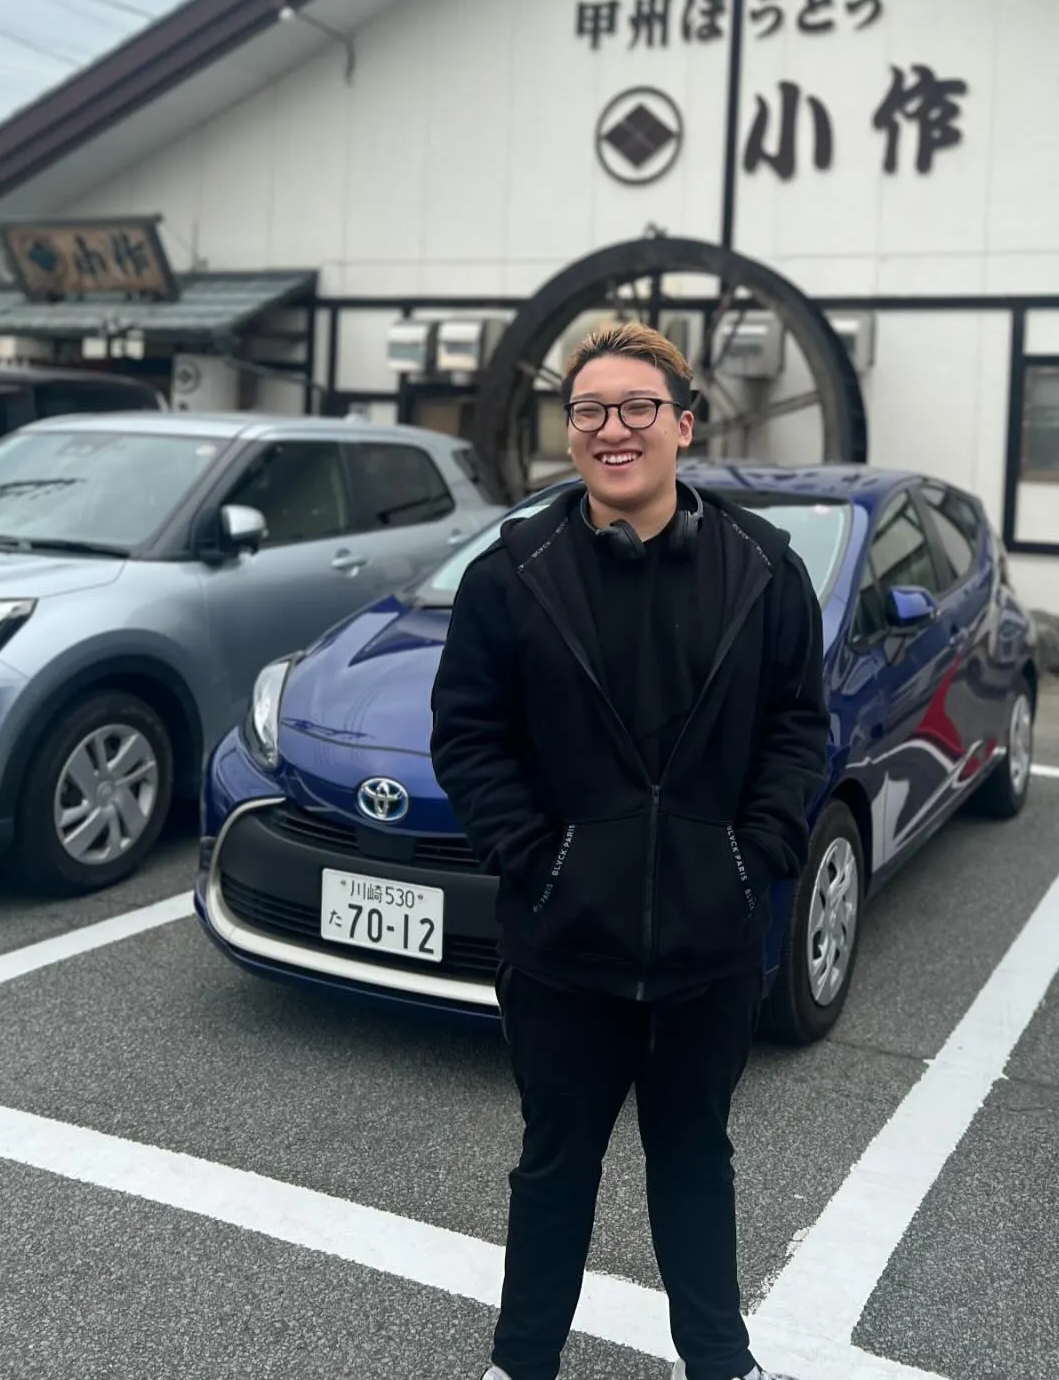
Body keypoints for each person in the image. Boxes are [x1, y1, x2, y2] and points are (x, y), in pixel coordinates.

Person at [430, 319, 829, 1380]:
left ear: (684, 425)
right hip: (562, 946)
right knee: (554, 1167)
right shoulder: (514, 573)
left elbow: (799, 724)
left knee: (695, 1159)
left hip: (710, 945)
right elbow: (469, 735)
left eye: (639, 408)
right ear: (571, 436)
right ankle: (519, 1364)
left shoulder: (763, 569)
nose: (614, 429)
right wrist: (535, 858)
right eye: (590, 411)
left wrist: (759, 855)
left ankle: (719, 1361)